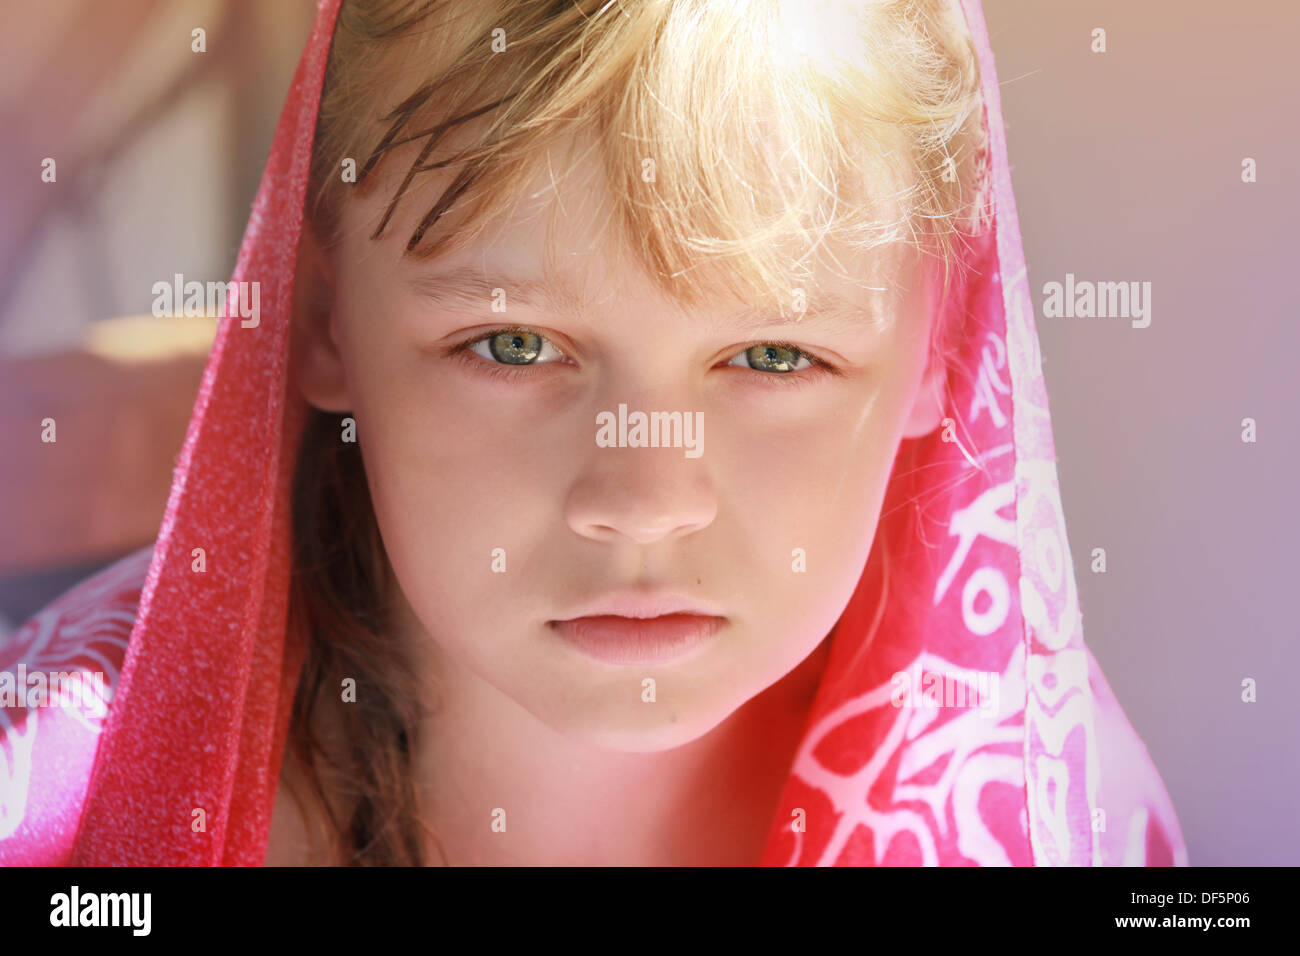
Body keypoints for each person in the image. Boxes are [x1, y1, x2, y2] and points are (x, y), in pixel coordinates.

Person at [0, 0, 1186, 866]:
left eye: (773, 355)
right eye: (514, 343)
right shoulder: (56, 809)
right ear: (320, 319)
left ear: (942, 342)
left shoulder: (1065, 812)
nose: (643, 497)